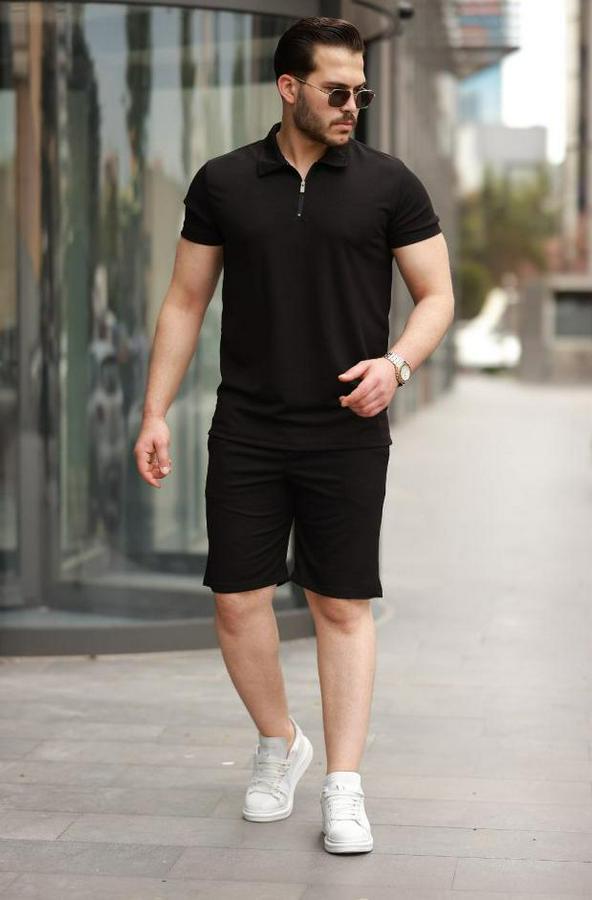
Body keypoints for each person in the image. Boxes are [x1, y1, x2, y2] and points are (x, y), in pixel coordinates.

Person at [135, 16, 454, 855]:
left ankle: (344, 786)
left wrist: (397, 366)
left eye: (362, 93)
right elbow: (184, 301)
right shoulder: (224, 182)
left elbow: (437, 296)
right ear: (288, 88)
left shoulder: (390, 184)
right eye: (337, 91)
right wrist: (154, 410)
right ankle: (279, 742)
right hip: (247, 425)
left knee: (340, 603)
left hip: (348, 429)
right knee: (237, 599)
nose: (353, 105)